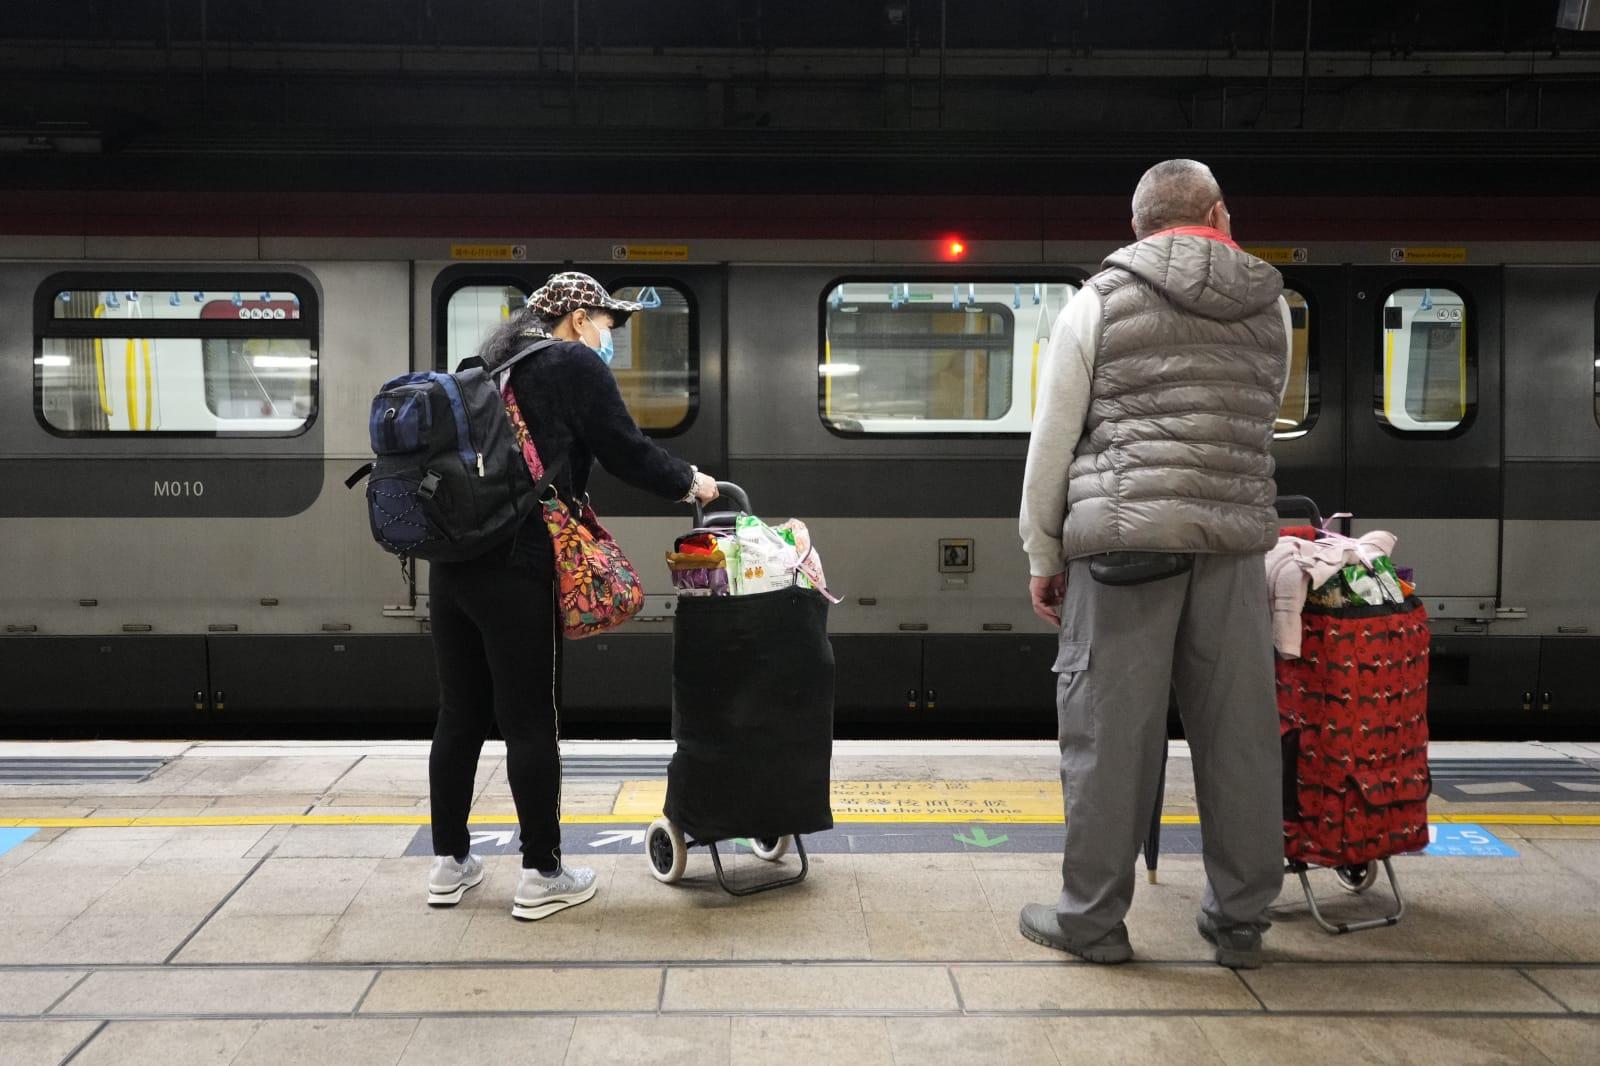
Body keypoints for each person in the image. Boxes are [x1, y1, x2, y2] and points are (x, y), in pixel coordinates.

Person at [1016, 160, 1292, 968]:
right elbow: (1258, 416)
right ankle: (1240, 921)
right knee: (1238, 737)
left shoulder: (1097, 300)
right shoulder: (1273, 304)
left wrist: (1042, 551)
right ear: (1219, 213)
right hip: (1234, 547)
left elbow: (1053, 439)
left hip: (1121, 548)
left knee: (1109, 736)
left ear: (1138, 227)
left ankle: (1093, 922)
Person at [425, 271, 718, 920]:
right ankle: (541, 873)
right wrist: (689, 483)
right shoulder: (571, 364)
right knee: (530, 721)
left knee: (460, 714)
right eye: (609, 323)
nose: (610, 335)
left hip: (451, 562)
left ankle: (449, 865)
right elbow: (625, 450)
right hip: (517, 560)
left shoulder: (488, 364)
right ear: (580, 317)